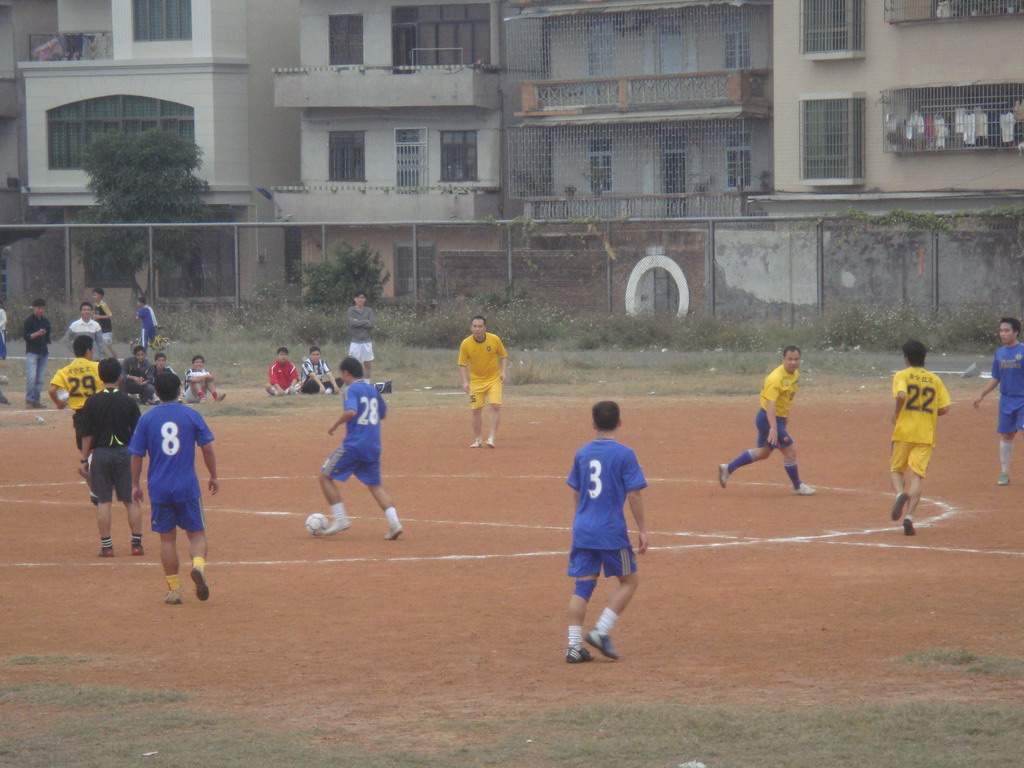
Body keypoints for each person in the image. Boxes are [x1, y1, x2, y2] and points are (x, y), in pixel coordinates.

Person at [564, 400, 648, 664]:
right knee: (629, 581)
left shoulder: (582, 453)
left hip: (583, 528)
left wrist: (580, 519)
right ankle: (601, 631)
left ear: (593, 424)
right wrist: (642, 529)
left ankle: (573, 646)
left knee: (582, 586)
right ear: (619, 422)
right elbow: (634, 493)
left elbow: (577, 491)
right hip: (610, 531)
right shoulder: (625, 454)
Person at [129, 371, 218, 605]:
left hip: (159, 487)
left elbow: (136, 455)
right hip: (186, 486)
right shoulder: (191, 414)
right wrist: (213, 476)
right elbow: (207, 448)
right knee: (196, 535)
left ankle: (174, 590)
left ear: (157, 392)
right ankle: (198, 566)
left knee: (167, 541)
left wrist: (135, 485)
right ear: (179, 391)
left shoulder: (146, 419)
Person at [316, 357, 403, 540]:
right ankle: (394, 523)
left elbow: (351, 411)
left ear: (346, 373)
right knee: (375, 486)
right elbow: (382, 413)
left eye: (342, 375)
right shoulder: (372, 390)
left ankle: (340, 520)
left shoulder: (351, 390)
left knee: (324, 476)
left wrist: (335, 424)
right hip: (373, 446)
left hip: (355, 445)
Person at [718, 346, 816, 496]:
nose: (793, 362)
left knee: (764, 452)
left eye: (796, 359)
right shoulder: (775, 378)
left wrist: (785, 416)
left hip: (776, 419)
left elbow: (786, 398)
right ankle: (797, 486)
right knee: (790, 451)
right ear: (783, 359)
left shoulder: (794, 374)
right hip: (769, 419)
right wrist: (774, 428)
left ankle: (728, 468)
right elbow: (770, 402)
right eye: (789, 359)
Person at [78, 357, 143, 557]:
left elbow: (87, 435)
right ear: (119, 377)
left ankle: (107, 547)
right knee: (130, 500)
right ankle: (136, 545)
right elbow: (138, 432)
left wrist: (84, 459)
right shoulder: (129, 401)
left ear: (100, 377)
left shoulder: (91, 402)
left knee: (104, 501)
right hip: (125, 453)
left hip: (101, 453)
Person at [890, 340, 951, 536]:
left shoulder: (901, 375)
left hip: (904, 432)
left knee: (896, 470)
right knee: (916, 476)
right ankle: (909, 517)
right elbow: (945, 408)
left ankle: (900, 495)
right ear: (924, 358)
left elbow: (901, 396)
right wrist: (928, 414)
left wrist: (896, 413)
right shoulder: (934, 379)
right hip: (925, 433)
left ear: (906, 358)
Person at [972, 317, 1024, 486]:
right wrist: (982, 394)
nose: (1003, 334)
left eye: (1006, 330)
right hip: (1006, 400)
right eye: (1001, 330)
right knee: (1006, 435)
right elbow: (996, 377)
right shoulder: (1000, 353)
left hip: (1023, 400)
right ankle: (1004, 472)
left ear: (1016, 332)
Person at [457, 316, 508, 448]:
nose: (477, 329)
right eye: (475, 326)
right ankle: (478, 439)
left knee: (495, 406)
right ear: (471, 328)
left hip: (493, 380)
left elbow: (503, 356)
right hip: (476, 382)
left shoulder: (494, 339)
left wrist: (503, 372)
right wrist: (464, 381)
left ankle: (491, 437)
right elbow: (462, 364)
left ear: (485, 327)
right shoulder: (466, 344)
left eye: (480, 326)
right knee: (476, 411)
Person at [49, 334, 101, 449]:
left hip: (81, 414)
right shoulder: (98, 367)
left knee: (83, 446)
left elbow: (51, 390)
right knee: (100, 443)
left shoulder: (65, 371)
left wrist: (58, 402)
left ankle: (88, 459)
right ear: (88, 351)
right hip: (98, 412)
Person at [23, 298, 52, 409]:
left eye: (42, 308)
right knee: (31, 377)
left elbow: (48, 337)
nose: (41, 310)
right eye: (39, 308)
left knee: (40, 379)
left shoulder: (46, 321)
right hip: (32, 352)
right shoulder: (29, 321)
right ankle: (29, 400)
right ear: (34, 308)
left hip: (43, 352)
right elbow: (26, 337)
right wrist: (37, 334)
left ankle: (36, 400)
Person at [347, 291, 375, 380]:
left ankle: (367, 383)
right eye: (358, 297)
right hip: (355, 341)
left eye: (362, 297)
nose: (360, 299)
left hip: (366, 341)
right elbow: (352, 323)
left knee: (367, 365)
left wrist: (358, 322)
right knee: (353, 364)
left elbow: (371, 324)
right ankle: (355, 383)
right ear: (355, 299)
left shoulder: (369, 311)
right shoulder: (351, 310)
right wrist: (365, 321)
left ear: (365, 299)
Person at [92, 288, 117, 359]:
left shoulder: (103, 305)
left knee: (109, 346)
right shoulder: (95, 305)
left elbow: (110, 315)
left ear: (100, 295)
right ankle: (107, 358)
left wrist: (99, 317)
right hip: (99, 328)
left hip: (106, 328)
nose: (94, 297)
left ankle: (115, 359)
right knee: (97, 345)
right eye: (93, 295)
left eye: (95, 295)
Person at [0, 296, 8, 405]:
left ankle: (2, 354)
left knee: (2, 344)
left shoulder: (1, 311)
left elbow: (4, 320)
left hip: (0, 330)